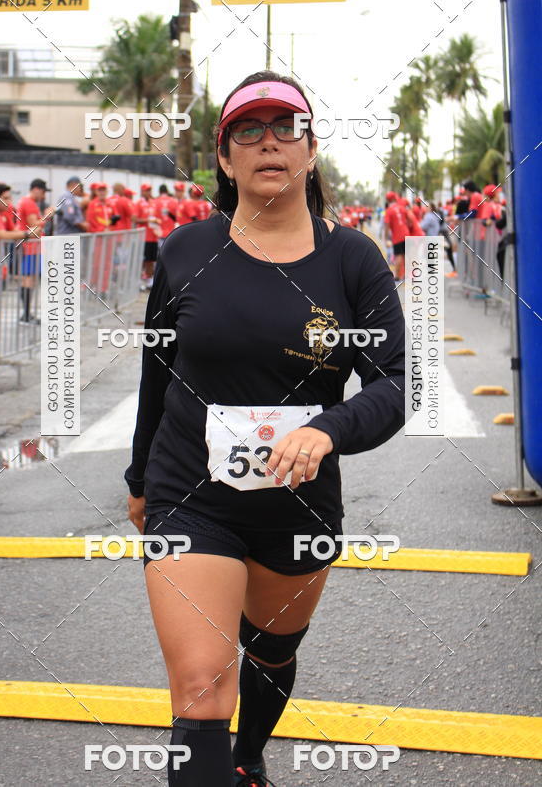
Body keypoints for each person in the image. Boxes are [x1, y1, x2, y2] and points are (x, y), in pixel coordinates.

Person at [125, 71, 406, 787]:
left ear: (312, 151)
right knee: (199, 686)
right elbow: (158, 372)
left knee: (272, 653)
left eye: (288, 128)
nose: (269, 142)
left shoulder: (354, 261)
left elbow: (397, 384)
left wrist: (329, 429)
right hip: (190, 491)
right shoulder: (186, 252)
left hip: (299, 506)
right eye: (247, 131)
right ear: (225, 159)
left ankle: (247, 760)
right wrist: (137, 479)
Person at [16, 179, 52, 322]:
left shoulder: (26, 202)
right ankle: (25, 314)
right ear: (36, 189)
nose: (43, 196)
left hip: (31, 247)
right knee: (28, 280)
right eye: (43, 192)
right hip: (30, 247)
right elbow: (33, 225)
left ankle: (26, 313)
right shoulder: (29, 203)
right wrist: (47, 216)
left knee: (28, 279)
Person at [135, 183, 161, 289]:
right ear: (142, 191)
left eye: (149, 190)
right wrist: (148, 220)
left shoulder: (153, 203)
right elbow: (135, 219)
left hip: (153, 236)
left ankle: (149, 281)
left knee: (151, 260)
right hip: (143, 237)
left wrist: (157, 223)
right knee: (142, 260)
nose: (148, 192)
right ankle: (139, 280)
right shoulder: (138, 203)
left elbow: (158, 218)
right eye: (146, 190)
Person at [383, 191, 409, 281]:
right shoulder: (402, 207)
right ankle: (407, 274)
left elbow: (386, 225)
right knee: (406, 255)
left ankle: (397, 276)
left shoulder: (389, 210)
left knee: (398, 255)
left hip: (397, 236)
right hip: (406, 233)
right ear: (395, 198)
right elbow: (409, 219)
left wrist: (386, 238)